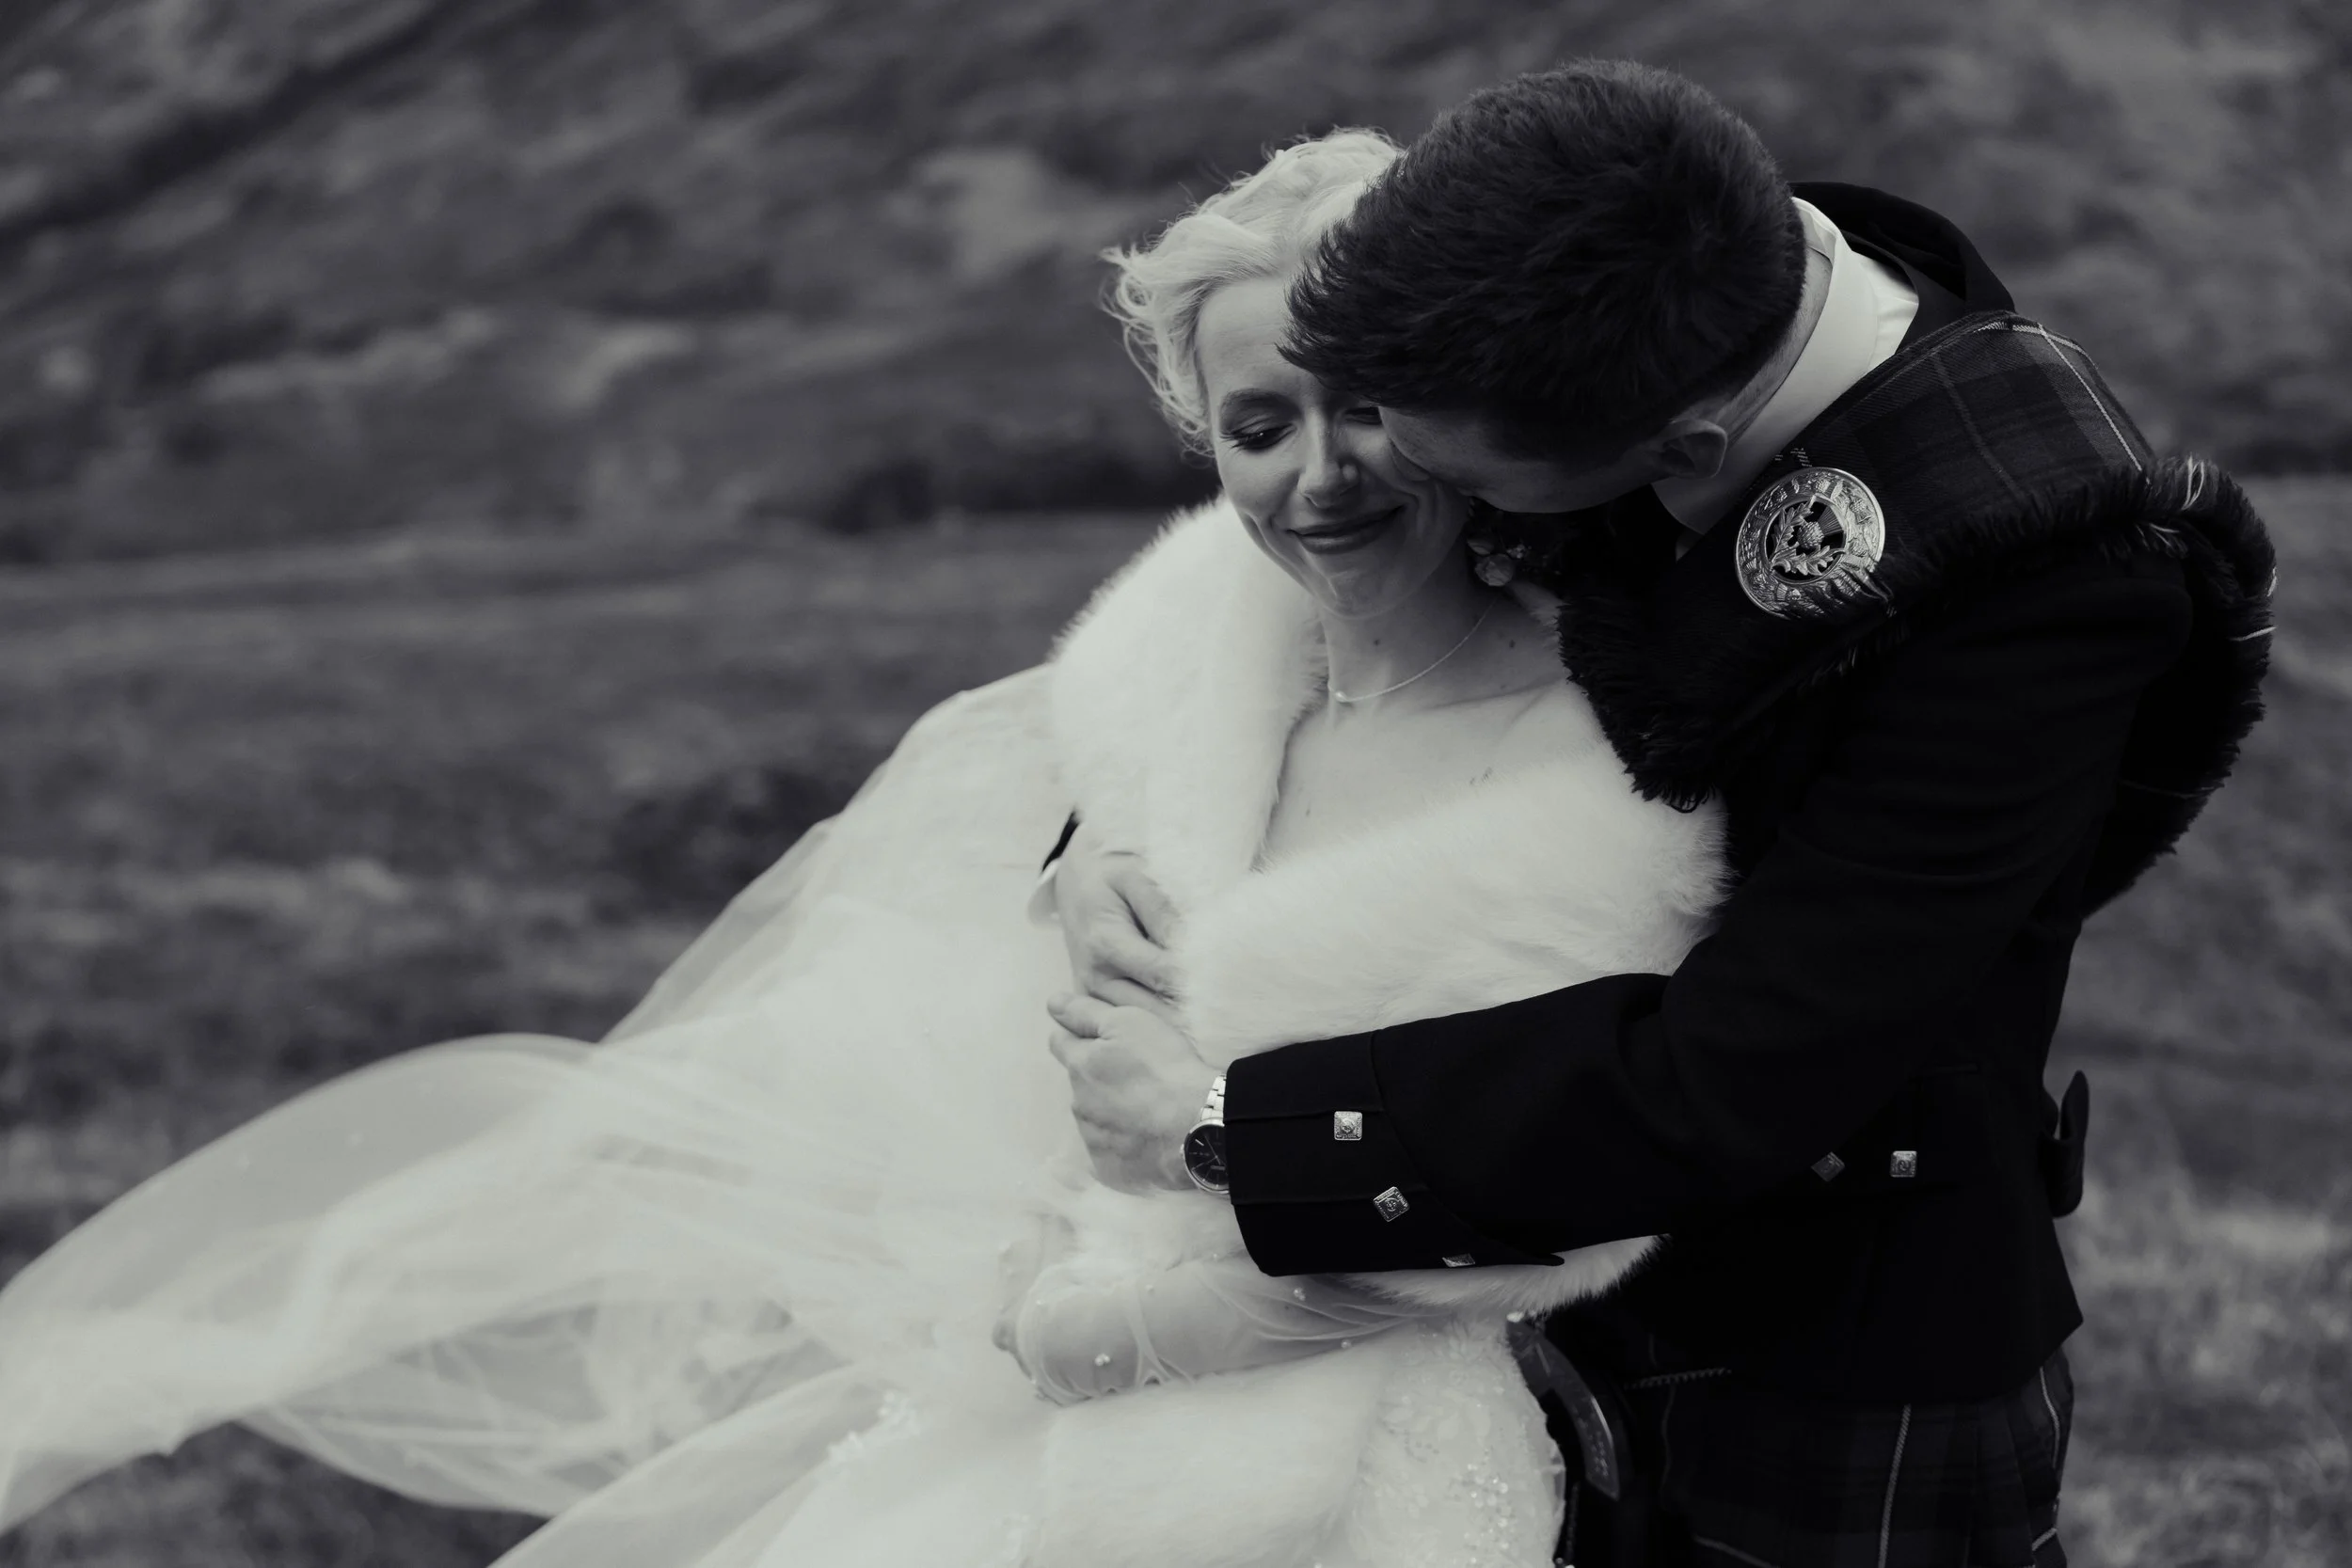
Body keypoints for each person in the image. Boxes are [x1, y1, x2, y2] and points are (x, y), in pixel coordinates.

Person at [0, 131, 1731, 1568]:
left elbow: (1555, 1202)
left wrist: (1100, 1330)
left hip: (1365, 1464)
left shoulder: (1595, 762)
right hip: (1034, 1406)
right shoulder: (1179, 679)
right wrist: (1068, 902)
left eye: (1369, 410)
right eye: (1259, 424)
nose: (1321, 476)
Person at [1049, 61, 2275, 1567]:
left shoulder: (2047, 590)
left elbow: (1748, 1067)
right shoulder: (1623, 272)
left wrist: (1226, 1126)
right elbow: (1276, 612)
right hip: (1475, 1294)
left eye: (1455, 474)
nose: (1379, 482)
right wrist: (1105, 845)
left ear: (1678, 457)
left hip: (1821, 1335)